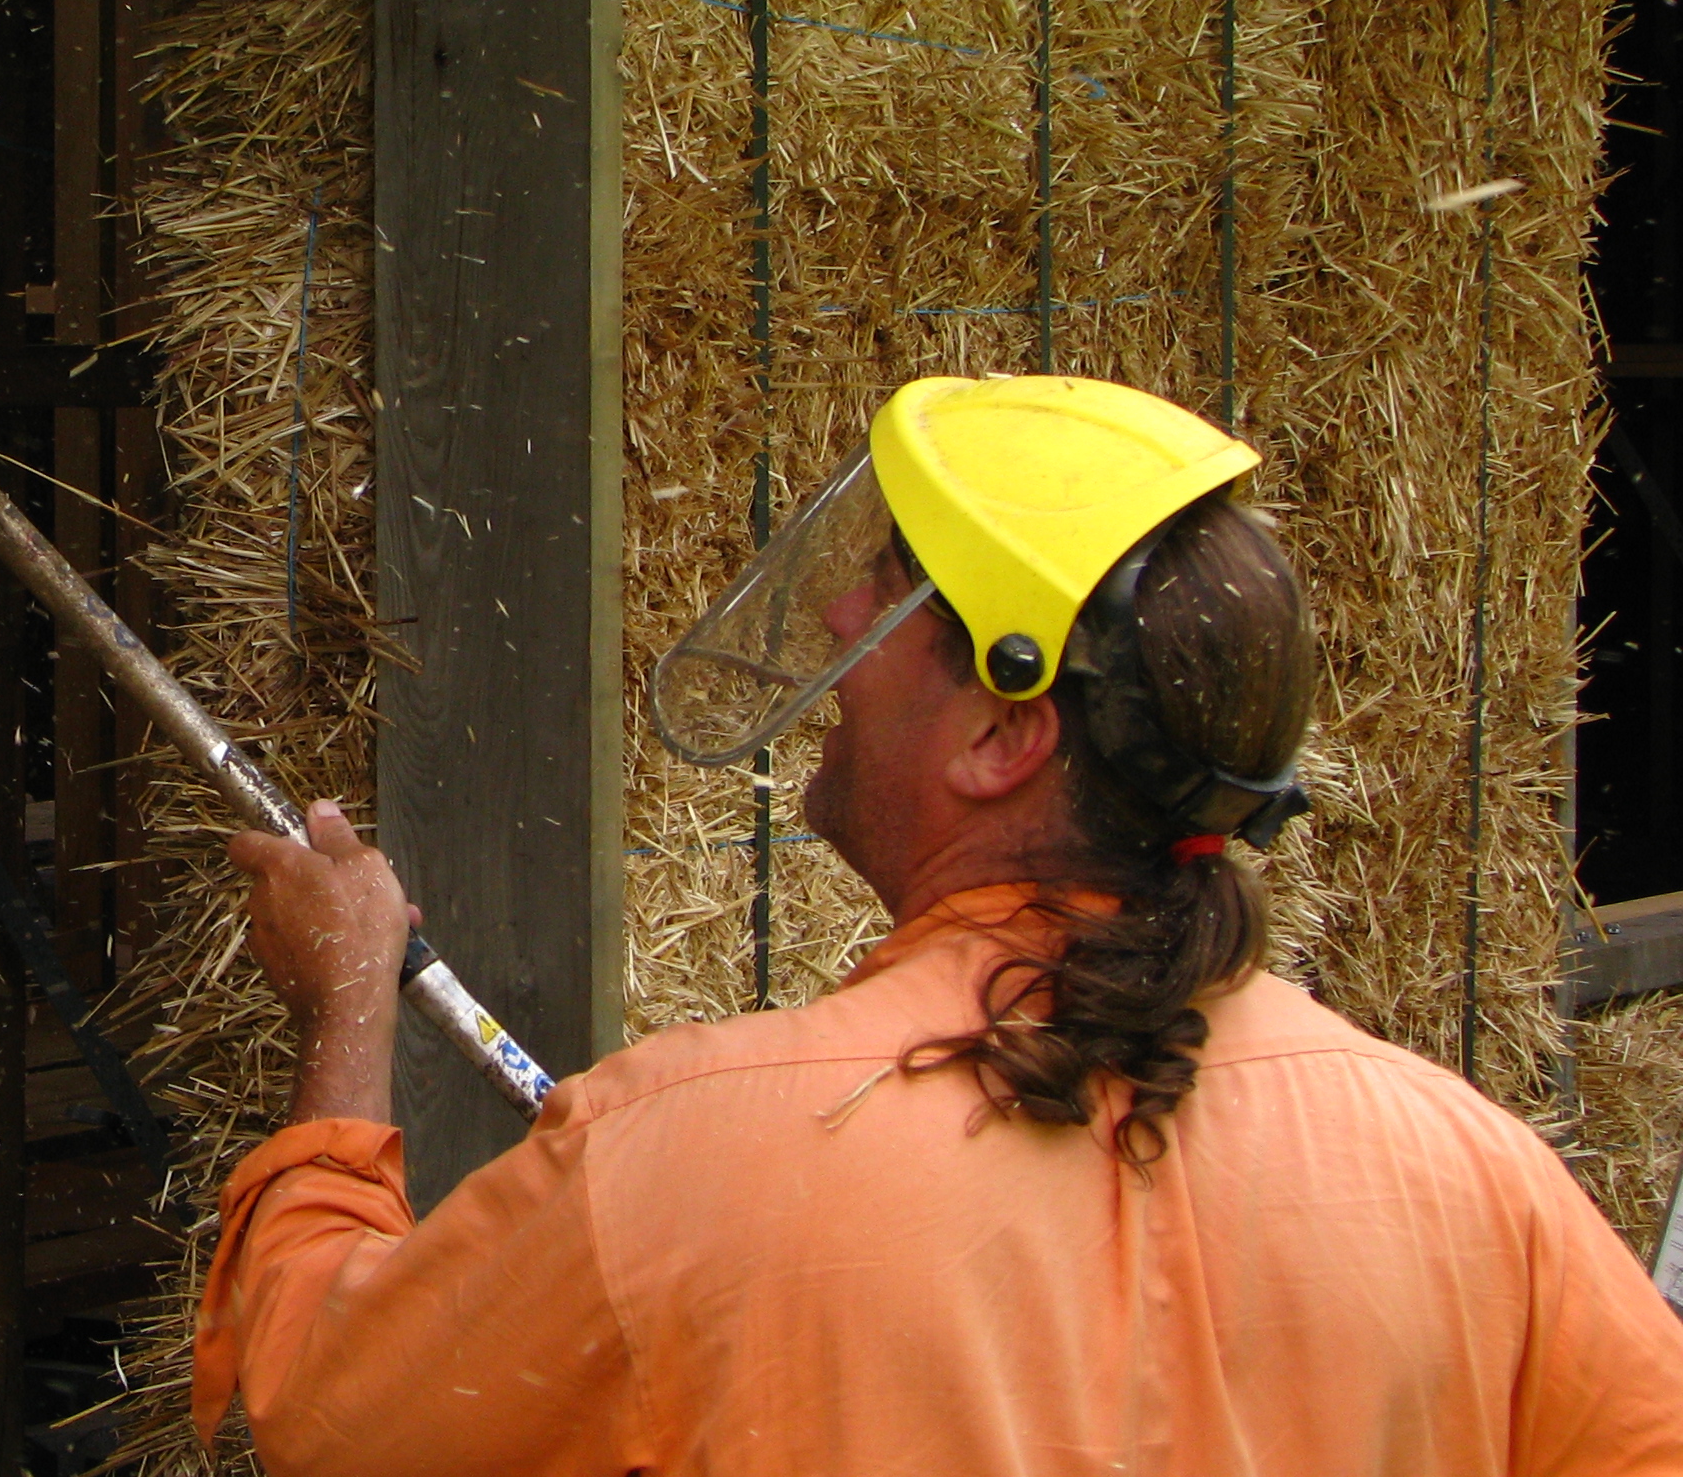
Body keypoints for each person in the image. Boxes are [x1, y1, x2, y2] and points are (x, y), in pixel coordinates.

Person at [194, 374, 1683, 1475]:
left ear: (1000, 738)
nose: (842, 619)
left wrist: (345, 1011)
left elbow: (331, 1410)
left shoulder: (687, 1161)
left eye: (893, 592)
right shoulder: (1467, 1172)